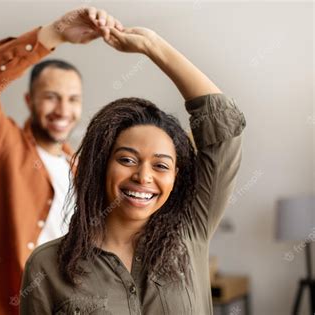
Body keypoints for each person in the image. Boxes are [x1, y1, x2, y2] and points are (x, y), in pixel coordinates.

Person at [20, 9, 246, 315]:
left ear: (175, 176)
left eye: (161, 165)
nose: (143, 176)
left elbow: (224, 126)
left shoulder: (190, 232)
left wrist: (152, 46)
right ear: (101, 165)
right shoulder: (46, 265)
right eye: (127, 159)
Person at [0, 6, 124, 315]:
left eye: (73, 99)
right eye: (51, 97)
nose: (63, 110)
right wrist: (54, 33)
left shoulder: (80, 167)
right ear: (30, 100)